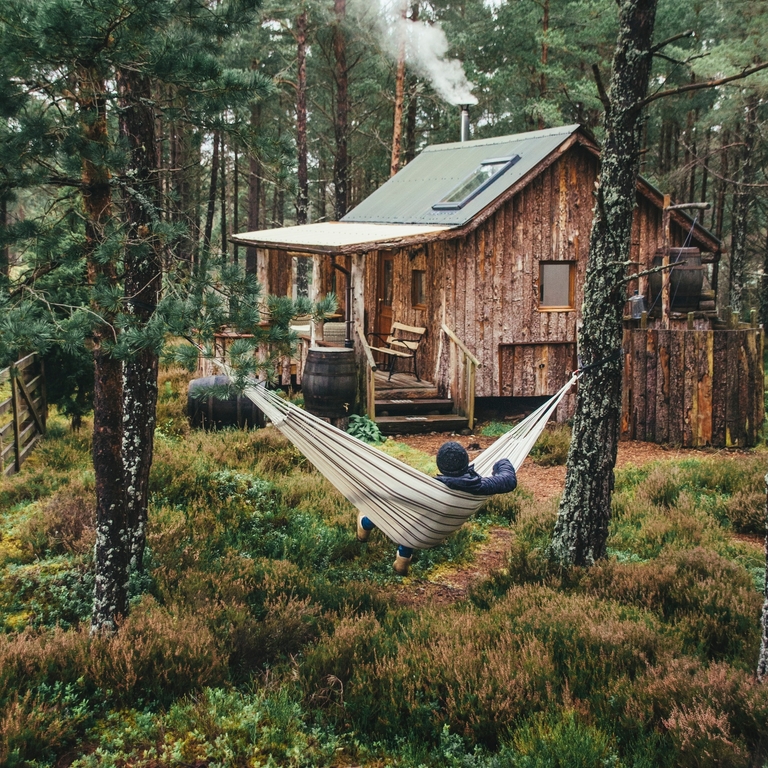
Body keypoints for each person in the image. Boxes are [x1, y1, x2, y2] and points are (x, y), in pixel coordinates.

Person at [357, 441, 518, 576]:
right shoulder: (480, 486)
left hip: (416, 531)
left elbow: (392, 494)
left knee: (401, 513)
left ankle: (366, 524)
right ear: (465, 462)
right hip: (438, 533)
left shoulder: (429, 490)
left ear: (440, 467)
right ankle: (402, 559)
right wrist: (500, 462)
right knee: (416, 517)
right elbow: (509, 480)